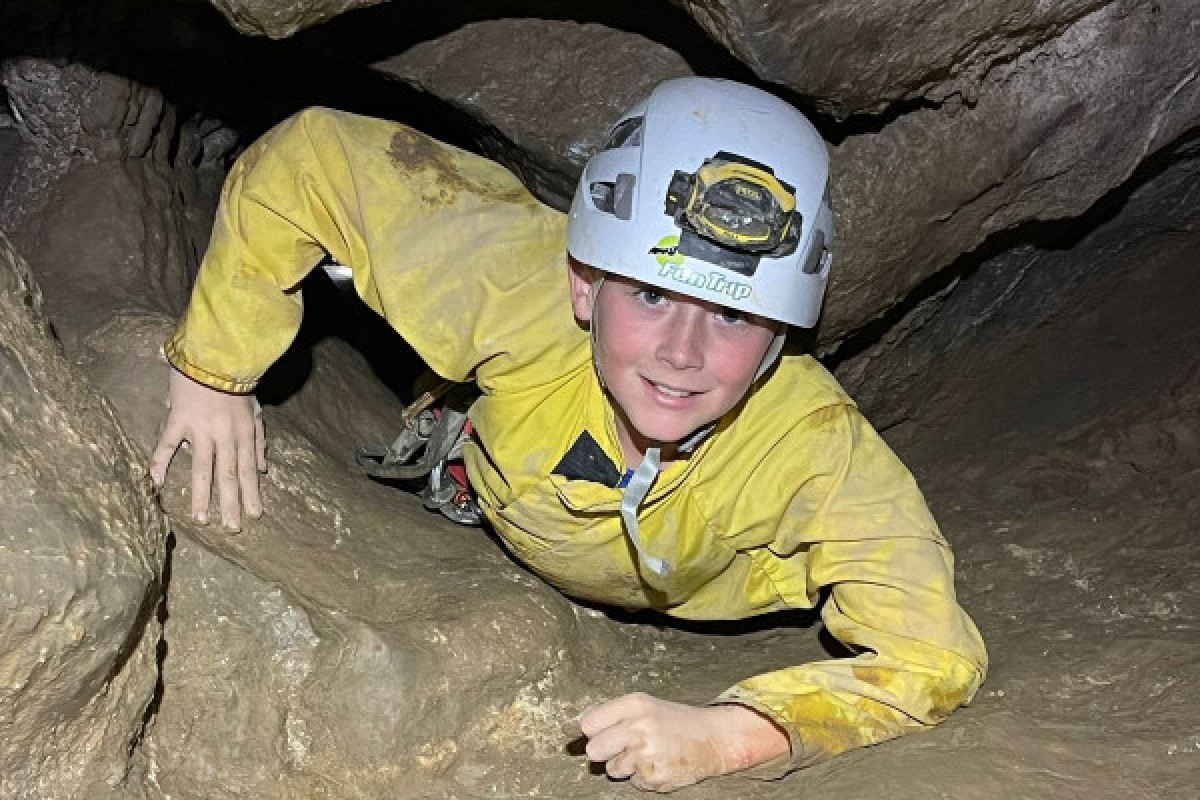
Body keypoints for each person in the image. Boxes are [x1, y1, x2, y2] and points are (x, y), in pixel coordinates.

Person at [150, 77, 987, 792]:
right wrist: (215, 371)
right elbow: (314, 158)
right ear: (585, 285)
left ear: (780, 338)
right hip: (495, 456)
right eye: (651, 296)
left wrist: (730, 733)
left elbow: (933, 655)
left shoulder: (813, 448)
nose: (682, 354)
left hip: (688, 588)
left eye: (733, 314)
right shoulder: (524, 284)